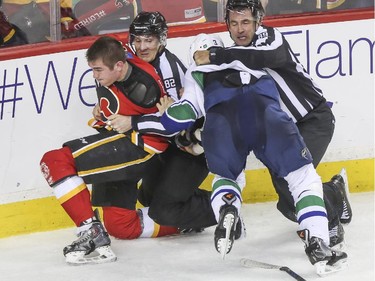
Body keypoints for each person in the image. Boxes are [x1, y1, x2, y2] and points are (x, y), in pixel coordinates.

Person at [157, 32, 348, 276]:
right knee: (302, 180)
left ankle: (228, 208)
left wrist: (167, 112)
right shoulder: (244, 57)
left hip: (222, 123)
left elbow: (177, 118)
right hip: (267, 117)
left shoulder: (194, 72)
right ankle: (318, 242)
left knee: (227, 178)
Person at [194, 0, 352, 248]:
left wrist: (216, 55)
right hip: (279, 131)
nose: (240, 29)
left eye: (246, 22)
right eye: (234, 23)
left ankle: (331, 222)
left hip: (312, 121)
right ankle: (333, 189)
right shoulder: (234, 57)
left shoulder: (270, 38)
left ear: (258, 21)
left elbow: (266, 56)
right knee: (287, 205)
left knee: (291, 186)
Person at [39, 36, 180, 265]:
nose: (95, 76)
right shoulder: (116, 61)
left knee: (55, 161)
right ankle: (203, 212)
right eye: (92, 70)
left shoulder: (144, 88)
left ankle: (90, 231)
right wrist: (104, 108)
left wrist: (133, 122)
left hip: (136, 146)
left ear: (119, 66)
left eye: (98, 70)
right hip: (115, 137)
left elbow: (169, 126)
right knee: (121, 225)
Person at [91, 11, 218, 235]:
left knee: (163, 209)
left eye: (149, 40)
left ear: (161, 40)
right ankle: (194, 205)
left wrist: (135, 121)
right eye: (138, 40)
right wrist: (103, 108)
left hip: (189, 148)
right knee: (147, 197)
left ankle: (225, 208)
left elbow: (178, 123)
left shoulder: (171, 69)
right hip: (162, 143)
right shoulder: (127, 60)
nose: (142, 46)